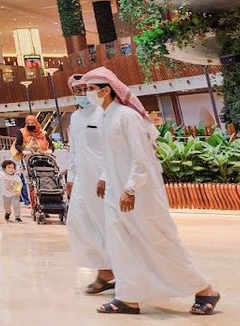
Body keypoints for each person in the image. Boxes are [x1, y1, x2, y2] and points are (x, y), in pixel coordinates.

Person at [81, 67, 220, 315]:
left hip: (139, 195)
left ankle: (205, 290)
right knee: (121, 245)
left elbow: (141, 157)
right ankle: (128, 297)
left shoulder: (127, 116)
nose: (87, 94)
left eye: (90, 89)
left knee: (158, 242)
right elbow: (112, 156)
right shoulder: (105, 117)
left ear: (106, 91)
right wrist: (104, 178)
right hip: (115, 194)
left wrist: (131, 188)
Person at [66, 73, 115, 295]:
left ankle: (112, 271)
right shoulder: (75, 117)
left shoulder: (103, 113)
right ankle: (104, 268)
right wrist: (70, 178)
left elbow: (110, 149)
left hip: (103, 180)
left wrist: (105, 176)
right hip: (81, 180)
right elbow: (74, 150)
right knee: (77, 222)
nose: (82, 94)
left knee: (106, 224)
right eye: (77, 90)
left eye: (85, 89)